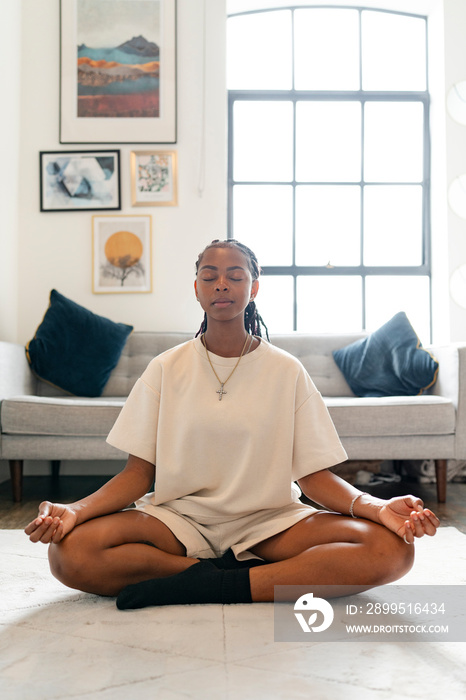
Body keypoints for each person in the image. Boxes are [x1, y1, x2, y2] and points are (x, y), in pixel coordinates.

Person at [25, 239, 440, 609]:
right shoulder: (165, 368)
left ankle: (201, 585)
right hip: (178, 520)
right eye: (210, 276)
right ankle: (224, 578)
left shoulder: (287, 371)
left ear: (253, 287)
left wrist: (378, 507)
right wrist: (73, 512)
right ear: (197, 289)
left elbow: (314, 478)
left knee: (391, 549)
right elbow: (138, 475)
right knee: (70, 553)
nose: (221, 284)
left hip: (270, 521)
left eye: (234, 276)